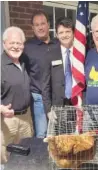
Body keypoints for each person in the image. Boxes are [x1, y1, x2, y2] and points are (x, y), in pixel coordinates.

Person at [1, 26, 33, 163]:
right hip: (8, 121)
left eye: (19, 43)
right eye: (12, 43)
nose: (15, 46)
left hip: (26, 117)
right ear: (4, 44)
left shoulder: (24, 60)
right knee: (6, 157)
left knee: (25, 154)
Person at [24, 10, 58, 138]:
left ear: (48, 24)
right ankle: (41, 158)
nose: (40, 27)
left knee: (57, 132)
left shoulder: (57, 44)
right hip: (38, 98)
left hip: (56, 97)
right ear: (32, 27)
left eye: (43, 23)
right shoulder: (27, 47)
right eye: (36, 24)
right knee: (42, 133)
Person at [41, 17, 75, 122]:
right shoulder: (50, 54)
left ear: (73, 32)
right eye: (61, 32)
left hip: (78, 104)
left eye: (68, 31)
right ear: (56, 35)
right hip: (58, 106)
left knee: (76, 137)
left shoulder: (81, 53)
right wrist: (48, 109)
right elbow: (45, 85)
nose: (64, 35)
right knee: (60, 137)